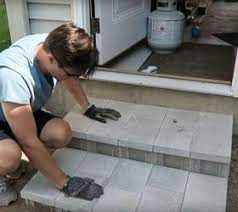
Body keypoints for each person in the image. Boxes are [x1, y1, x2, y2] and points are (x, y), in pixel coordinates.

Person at [0, 22, 121, 206]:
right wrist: (65, 182)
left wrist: (88, 107)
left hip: (18, 111)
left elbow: (68, 76)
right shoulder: (14, 76)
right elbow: (29, 142)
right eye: (70, 75)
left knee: (61, 133)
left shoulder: (53, 45)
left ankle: (16, 154)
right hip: (6, 112)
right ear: (51, 59)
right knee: (10, 157)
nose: (73, 79)